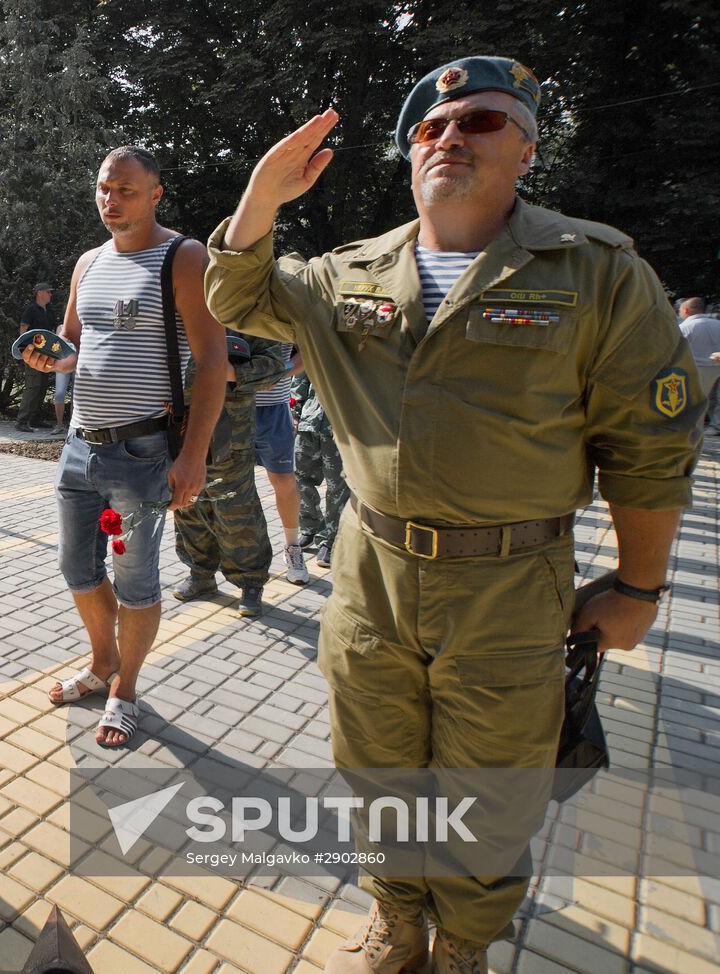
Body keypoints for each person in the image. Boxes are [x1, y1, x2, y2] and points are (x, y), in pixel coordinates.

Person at [203, 56, 701, 974]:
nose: (448, 137)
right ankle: (396, 917)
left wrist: (638, 584)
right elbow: (236, 292)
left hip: (513, 581)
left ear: (526, 149)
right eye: (431, 128)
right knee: (379, 765)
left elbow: (650, 445)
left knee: (493, 786)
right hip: (370, 572)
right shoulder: (349, 271)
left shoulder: (595, 270)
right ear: (410, 154)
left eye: (478, 121)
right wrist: (261, 193)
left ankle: (465, 941)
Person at [29, 145, 226, 747]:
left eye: (126, 191)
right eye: (103, 189)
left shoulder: (184, 257)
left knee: (135, 577)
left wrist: (192, 457)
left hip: (142, 454)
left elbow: (214, 362)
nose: (110, 201)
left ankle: (127, 688)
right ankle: (101, 662)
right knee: (75, 567)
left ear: (156, 193)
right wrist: (49, 356)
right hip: (79, 447)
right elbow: (72, 344)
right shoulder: (87, 263)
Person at [171, 336, 279, 617]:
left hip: (230, 433)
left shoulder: (245, 315)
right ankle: (200, 574)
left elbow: (274, 366)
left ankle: (251, 582)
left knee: (237, 511)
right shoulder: (179, 310)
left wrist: (231, 372)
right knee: (188, 505)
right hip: (181, 426)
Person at [254, 343, 308, 582]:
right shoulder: (223, 305)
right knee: (231, 487)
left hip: (274, 410)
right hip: (228, 407)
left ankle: (292, 548)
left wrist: (283, 370)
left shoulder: (286, 308)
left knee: (283, 480)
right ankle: (241, 562)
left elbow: (309, 349)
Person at [292, 373, 348, 567]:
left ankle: (331, 540)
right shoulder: (319, 343)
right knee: (300, 478)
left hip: (341, 427)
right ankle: (310, 527)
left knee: (337, 487)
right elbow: (303, 374)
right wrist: (296, 412)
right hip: (310, 421)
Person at [16, 283, 60, 434]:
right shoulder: (31, 310)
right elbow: (23, 330)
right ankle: (21, 421)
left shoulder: (49, 312)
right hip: (32, 355)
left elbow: (53, 332)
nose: (50, 294)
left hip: (46, 355)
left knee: (42, 387)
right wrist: (24, 351)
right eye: (48, 292)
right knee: (33, 386)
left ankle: (34, 419)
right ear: (39, 293)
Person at [677, 297, 720, 433]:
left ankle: (695, 427)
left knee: (699, 399)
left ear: (685, 310)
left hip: (698, 368)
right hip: (717, 363)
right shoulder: (717, 324)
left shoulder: (684, 327)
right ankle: (716, 424)